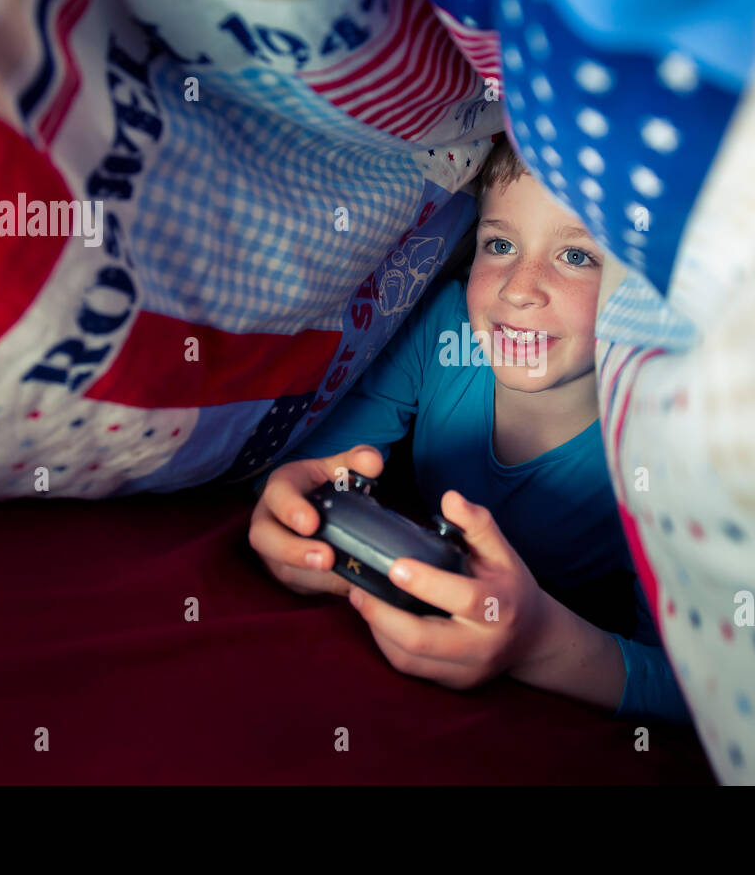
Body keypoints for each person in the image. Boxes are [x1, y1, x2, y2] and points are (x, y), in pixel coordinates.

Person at [249, 139, 691, 724]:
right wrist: (294, 518)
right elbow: (321, 472)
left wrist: (537, 642)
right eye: (501, 244)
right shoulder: (442, 327)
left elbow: (692, 689)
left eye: (578, 256)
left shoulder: (663, 445)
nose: (518, 287)